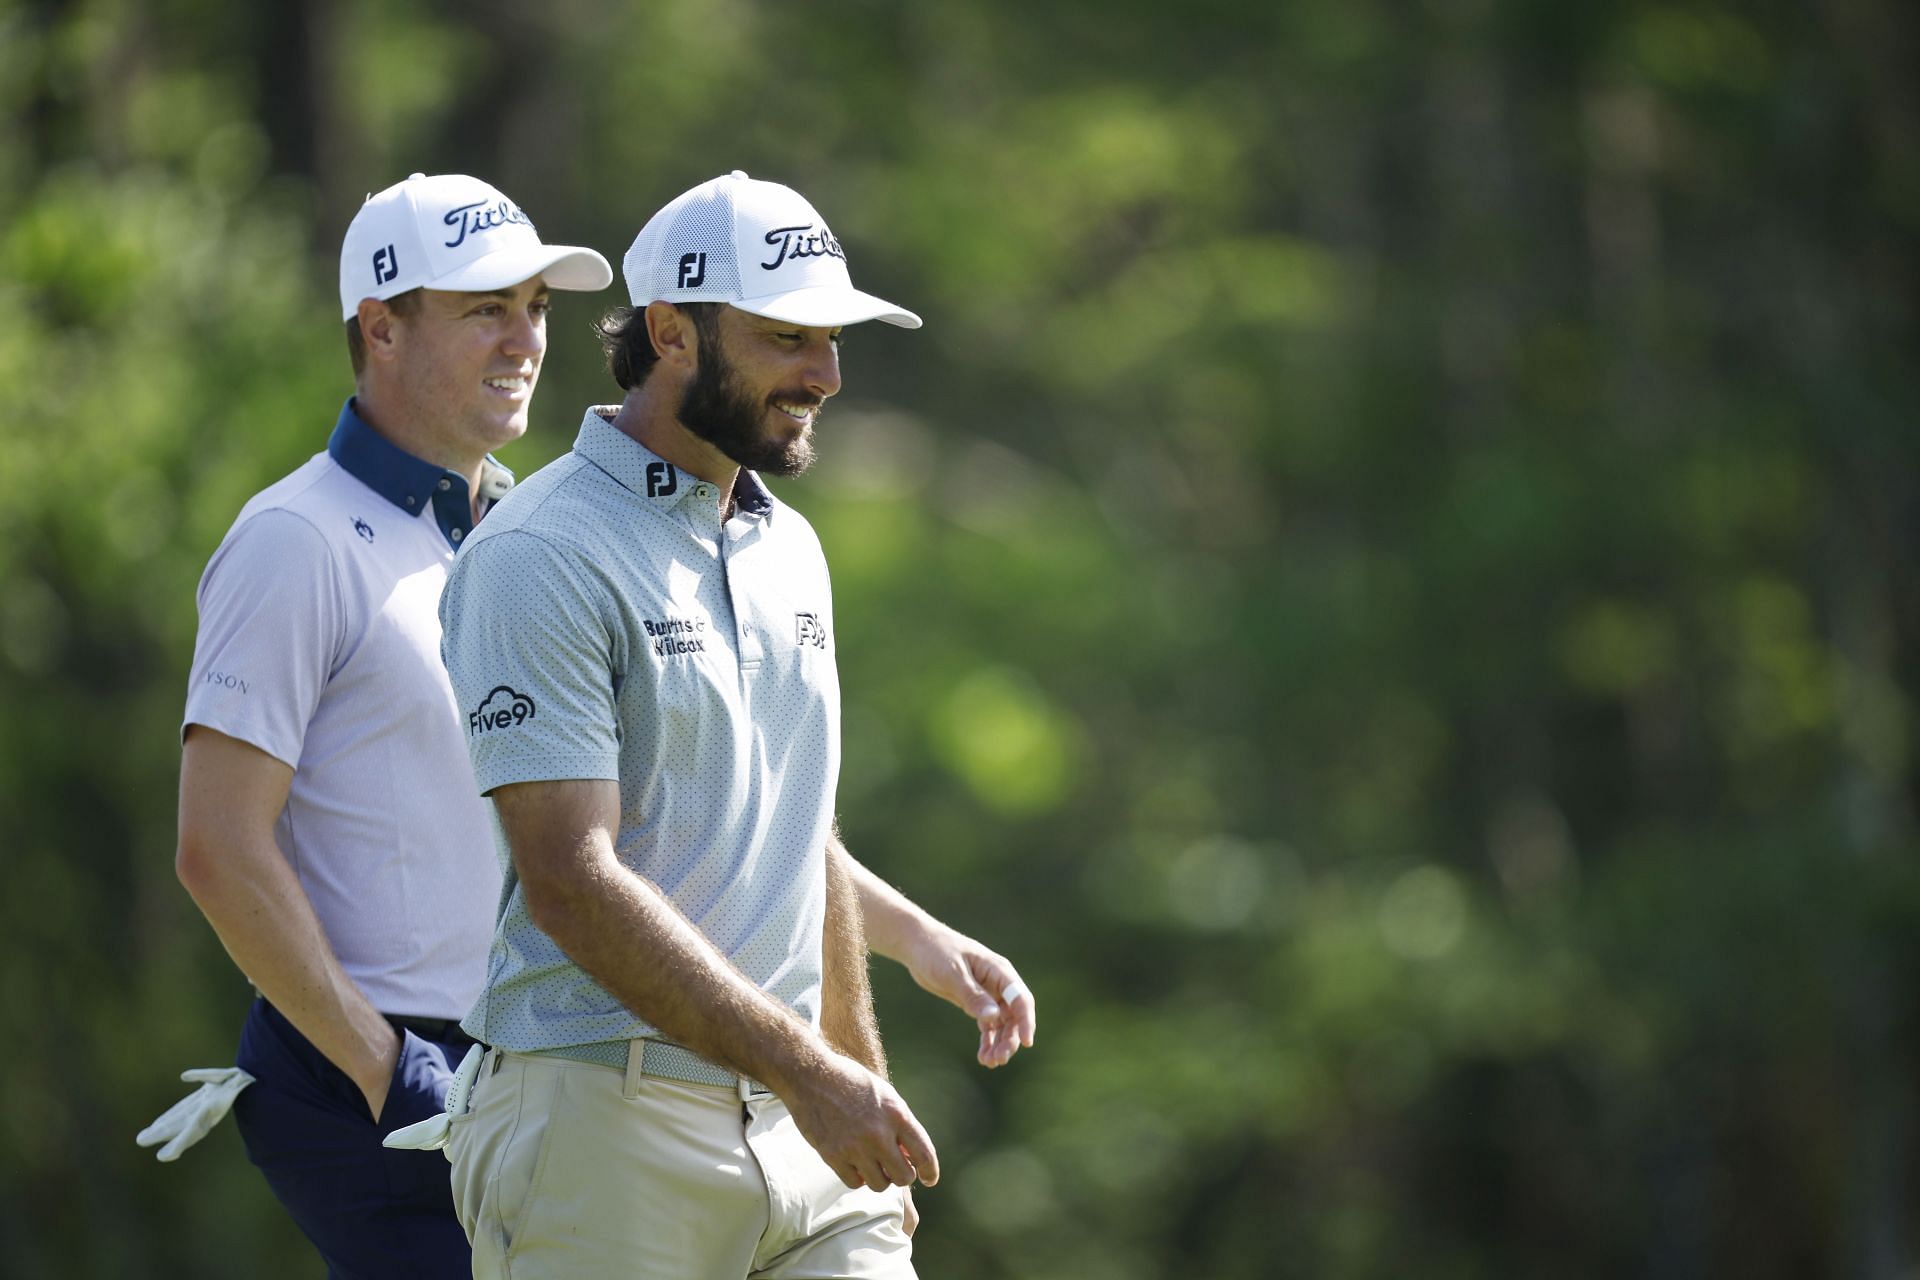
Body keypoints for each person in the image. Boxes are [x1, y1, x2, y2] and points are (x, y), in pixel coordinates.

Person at [144, 171, 1034, 1277]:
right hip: (411, 1067)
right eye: (485, 309)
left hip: (576, 1046)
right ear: (378, 326)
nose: (523, 339)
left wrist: (909, 943)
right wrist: (384, 1068)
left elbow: (720, 813)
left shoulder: (531, 521)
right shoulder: (304, 540)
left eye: (536, 308)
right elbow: (220, 847)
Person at [433, 170, 981, 1278]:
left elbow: (800, 836)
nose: (824, 374)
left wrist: (854, 1070)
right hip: (600, 1124)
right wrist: (815, 1074)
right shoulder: (539, 552)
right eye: (787, 338)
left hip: (799, 1123)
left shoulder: (790, 547)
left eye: (831, 340)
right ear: (672, 332)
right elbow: (570, 882)